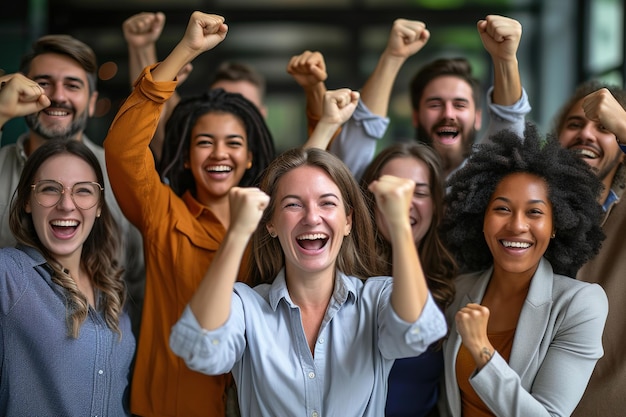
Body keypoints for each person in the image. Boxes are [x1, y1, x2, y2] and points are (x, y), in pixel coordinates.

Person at [107, 11, 358, 416]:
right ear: (186, 158)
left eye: (233, 143)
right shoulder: (161, 211)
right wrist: (185, 48)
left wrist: (322, 108)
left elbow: (309, 176)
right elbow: (122, 150)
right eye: (204, 142)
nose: (220, 154)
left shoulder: (274, 222)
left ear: (250, 156)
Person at [169, 144, 447, 416]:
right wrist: (238, 232)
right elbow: (201, 350)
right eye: (293, 205)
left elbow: (416, 332)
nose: (312, 218)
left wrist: (399, 223)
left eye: (327, 203)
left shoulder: (377, 298)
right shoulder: (245, 305)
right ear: (271, 224)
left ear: (348, 221)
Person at [437, 124, 608, 416]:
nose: (517, 225)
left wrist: (482, 350)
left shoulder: (580, 304)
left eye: (535, 212)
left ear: (557, 225)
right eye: (502, 209)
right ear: (481, 216)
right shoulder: (459, 291)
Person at [0, 34, 145, 338]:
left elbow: (141, 282)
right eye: (43, 83)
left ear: (92, 103)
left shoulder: (124, 174)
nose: (57, 96)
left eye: (73, 85)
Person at [290, 15, 531, 182]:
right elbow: (361, 134)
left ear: (478, 117)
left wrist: (505, 60)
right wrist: (392, 56)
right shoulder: (389, 178)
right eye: (435, 104)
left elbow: (508, 129)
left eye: (460, 104)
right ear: (416, 116)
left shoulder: (486, 180)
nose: (448, 114)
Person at [0, 138, 135, 416]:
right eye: (50, 189)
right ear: (27, 201)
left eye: (83, 191)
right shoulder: (10, 274)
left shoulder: (112, 287)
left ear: (98, 205)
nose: (66, 204)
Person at [360, 142, 457, 417]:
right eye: (392, 192)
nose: (401, 203)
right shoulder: (345, 281)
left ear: (437, 205)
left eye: (418, 192)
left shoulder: (454, 282)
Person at [551, 81, 626, 417]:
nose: (586, 135)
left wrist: (623, 122)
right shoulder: (530, 212)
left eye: (603, 127)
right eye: (574, 124)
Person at [123, 11, 268, 163]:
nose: (229, 114)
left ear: (262, 114)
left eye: (242, 106)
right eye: (220, 105)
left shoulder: (273, 177)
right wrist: (142, 50)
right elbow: (163, 120)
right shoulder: (190, 158)